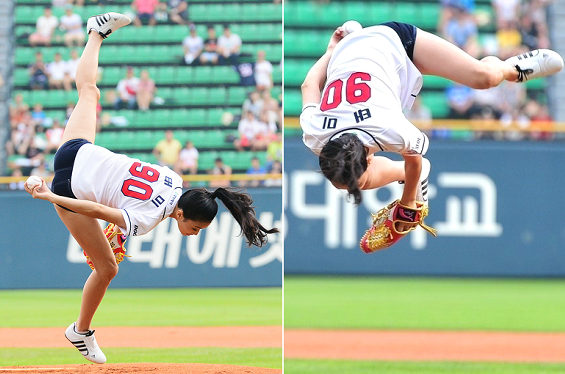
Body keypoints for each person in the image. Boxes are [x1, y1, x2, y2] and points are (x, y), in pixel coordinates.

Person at [24, 13, 277, 365]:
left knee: (88, 92)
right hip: (70, 187)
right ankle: (79, 332)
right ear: (182, 213)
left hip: (78, 150)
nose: (192, 234)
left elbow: (122, 194)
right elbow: (96, 210)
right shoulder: (148, 218)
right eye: (195, 227)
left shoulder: (173, 177)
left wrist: (116, 227)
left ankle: (96, 35)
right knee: (107, 269)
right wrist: (51, 197)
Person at [300, 21, 563, 232]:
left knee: (485, 78)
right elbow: (309, 85)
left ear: (369, 160)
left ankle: (509, 68)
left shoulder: (388, 128)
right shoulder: (314, 133)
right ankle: (353, 37)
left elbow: (415, 160)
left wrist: (409, 201)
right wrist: (331, 52)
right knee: (347, 179)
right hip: (350, 53)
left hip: (397, 43)